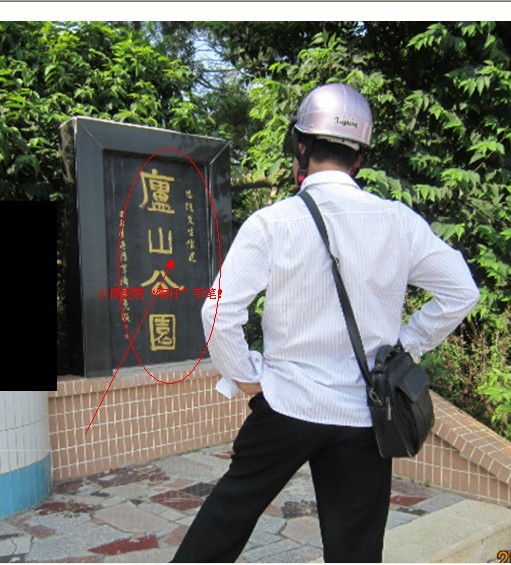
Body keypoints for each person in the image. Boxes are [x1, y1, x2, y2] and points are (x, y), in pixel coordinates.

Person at [171, 83, 479, 563]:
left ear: (300, 145)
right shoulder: (399, 222)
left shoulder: (272, 223)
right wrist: (405, 347)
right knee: (355, 552)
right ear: (360, 158)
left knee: (225, 521)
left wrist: (247, 379)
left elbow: (216, 310)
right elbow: (461, 291)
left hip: (286, 402)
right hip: (364, 414)